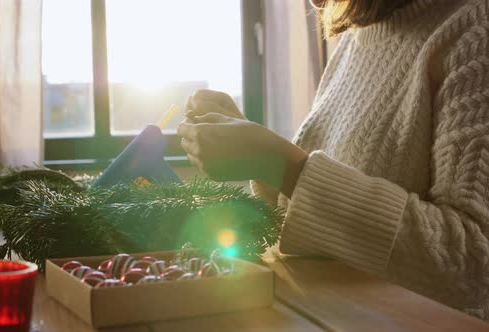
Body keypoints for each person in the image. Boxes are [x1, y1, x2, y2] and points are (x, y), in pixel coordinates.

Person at [178, 0, 489, 320]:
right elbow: (321, 227)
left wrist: (285, 166)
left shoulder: (475, 33)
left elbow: (473, 264)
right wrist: (258, 160)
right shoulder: (354, 40)